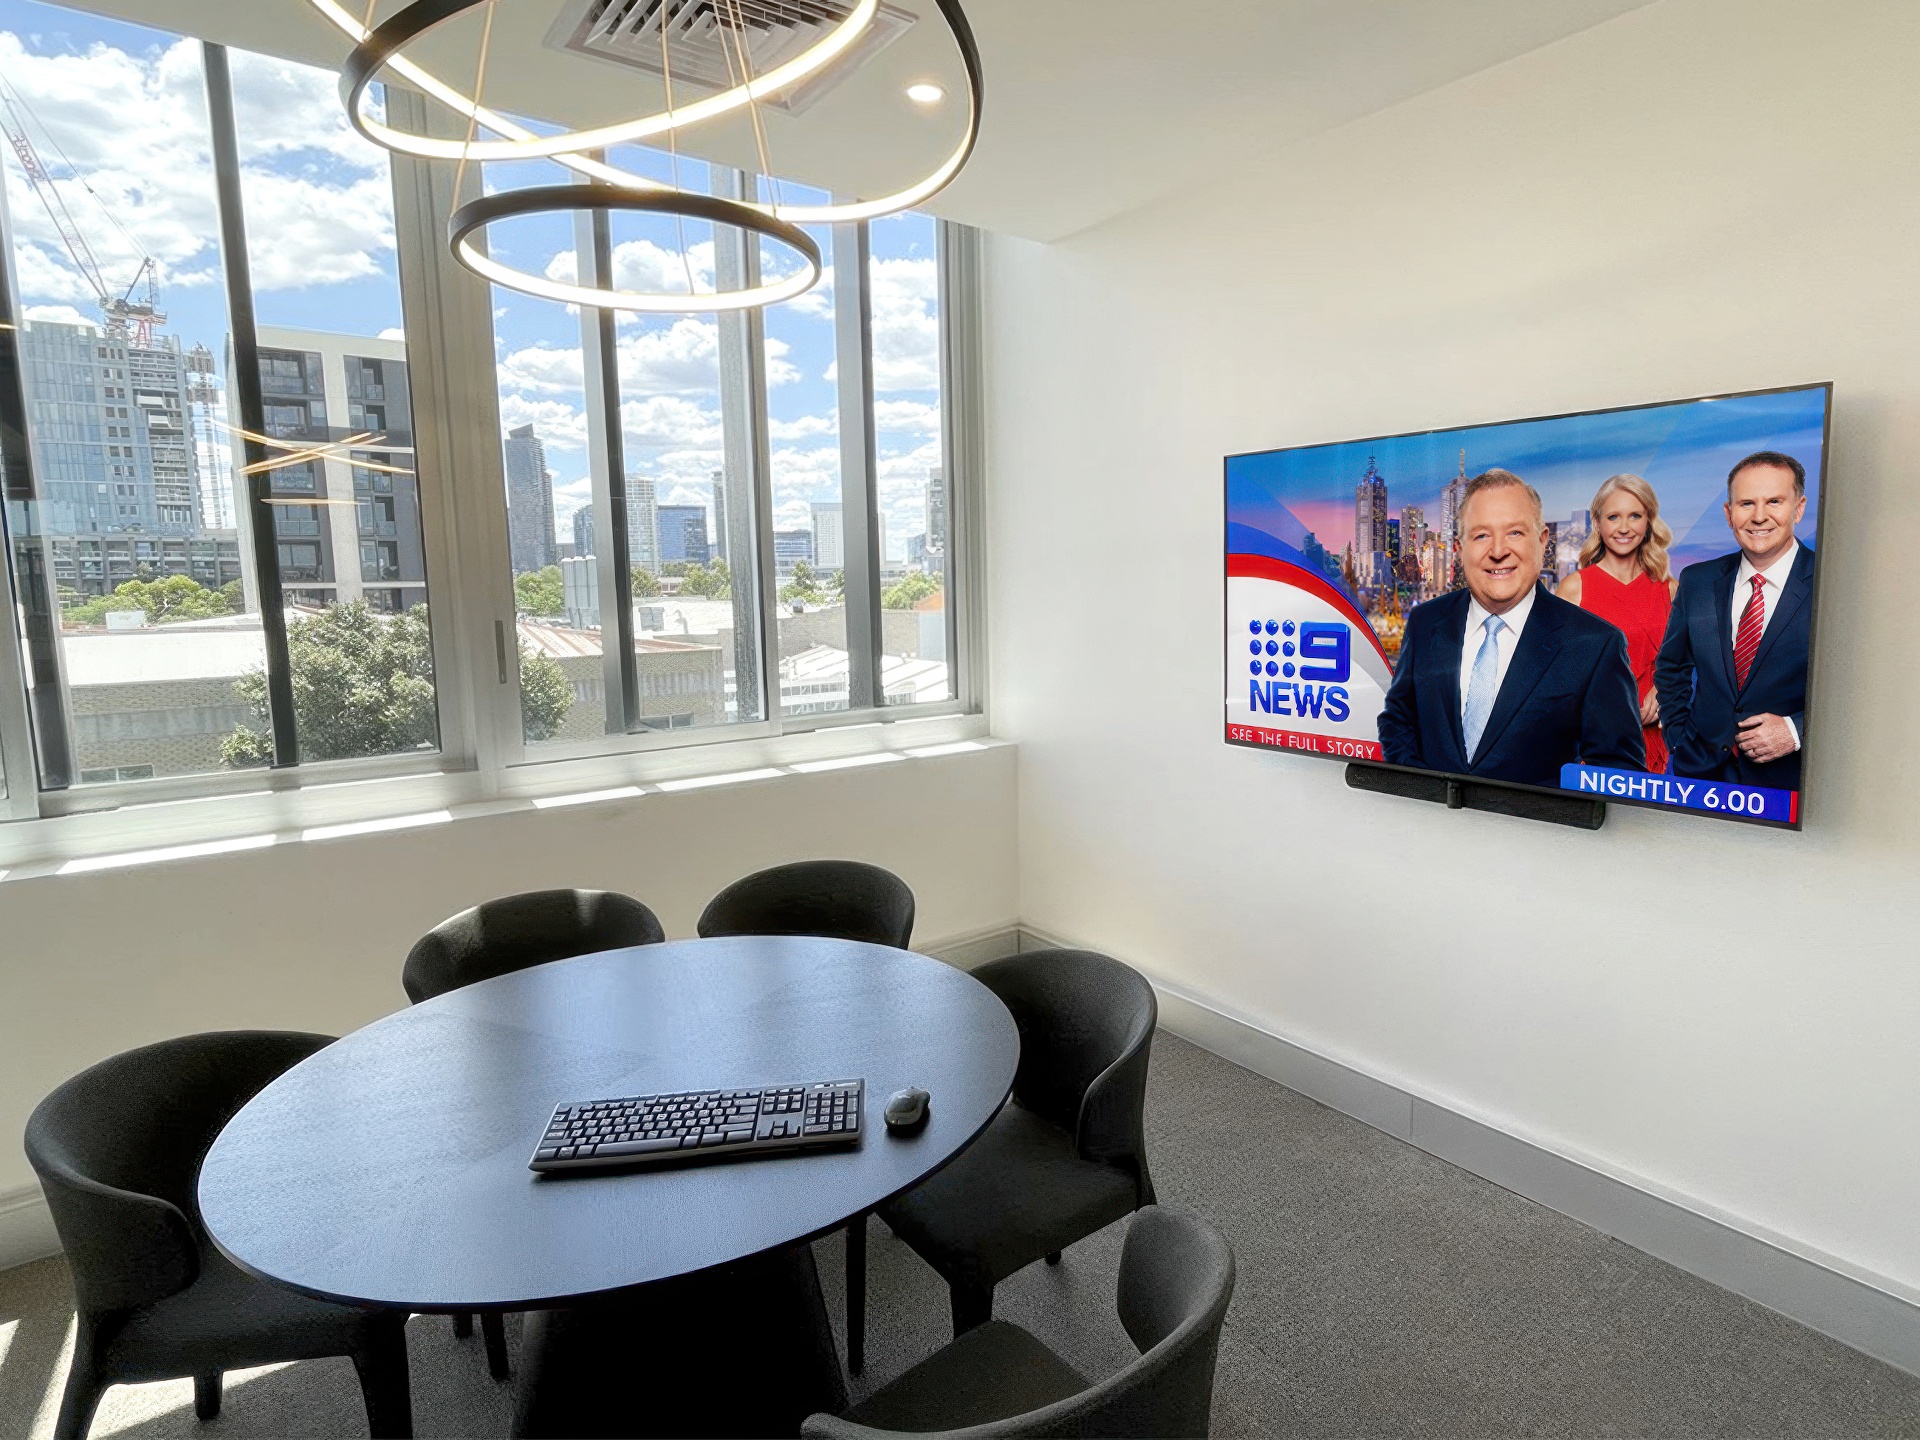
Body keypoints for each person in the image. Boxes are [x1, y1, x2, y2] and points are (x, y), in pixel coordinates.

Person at [1378, 469, 1643, 787]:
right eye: (1481, 536)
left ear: (1542, 541)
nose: (1498, 551)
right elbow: (1398, 717)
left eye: (1515, 533)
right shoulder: (1425, 622)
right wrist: (1420, 792)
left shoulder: (1595, 644)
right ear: (1460, 548)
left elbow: (1619, 774)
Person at [1654, 450, 1814, 792]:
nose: (1759, 516)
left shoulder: (1832, 582)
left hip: (1789, 783)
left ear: (1798, 508)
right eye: (1746, 504)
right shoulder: (1697, 581)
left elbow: (1862, 688)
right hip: (1699, 775)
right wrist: (1679, 737)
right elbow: (1671, 667)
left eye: (1774, 501)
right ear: (1729, 514)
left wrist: (1796, 730)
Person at [1555, 474, 1677, 772]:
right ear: (1598, 523)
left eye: (1635, 516)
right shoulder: (1574, 588)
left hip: (1654, 737)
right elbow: (1557, 676)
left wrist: (1664, 690)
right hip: (1593, 741)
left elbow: (1683, 662)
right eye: (1613, 517)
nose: (1624, 527)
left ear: (1648, 522)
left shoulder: (1670, 589)